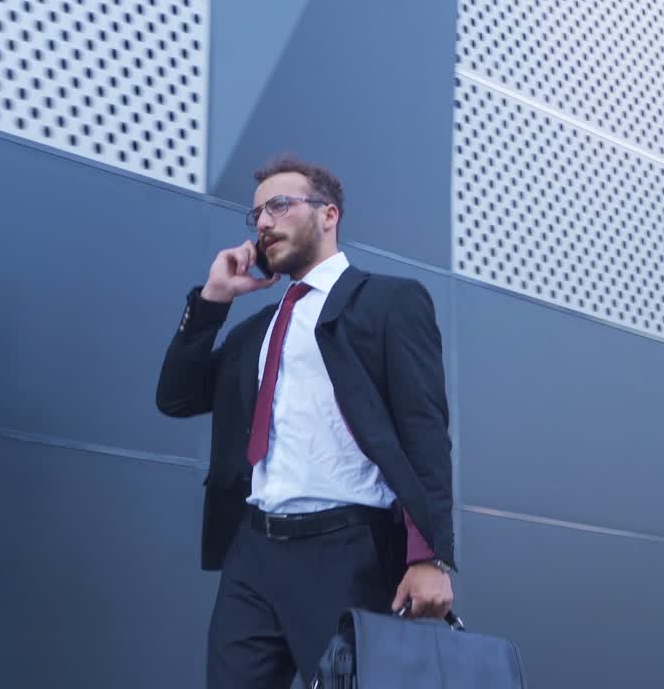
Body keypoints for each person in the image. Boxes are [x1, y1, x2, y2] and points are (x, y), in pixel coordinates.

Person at [155, 155, 455, 688]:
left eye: (279, 205)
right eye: (256, 216)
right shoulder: (257, 334)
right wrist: (213, 300)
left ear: (328, 215)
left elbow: (424, 432)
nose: (264, 223)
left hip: (348, 553)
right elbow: (176, 398)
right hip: (252, 553)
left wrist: (429, 555)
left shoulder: (388, 302)